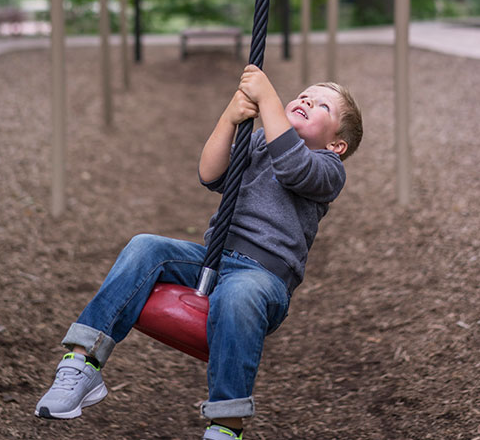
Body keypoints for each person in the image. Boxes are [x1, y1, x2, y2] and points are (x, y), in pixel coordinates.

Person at [34, 64, 363, 440]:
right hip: (214, 259)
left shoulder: (328, 169)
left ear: (338, 144)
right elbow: (211, 175)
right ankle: (82, 363)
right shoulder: (257, 142)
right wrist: (229, 116)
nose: (306, 99)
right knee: (145, 246)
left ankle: (226, 423)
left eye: (322, 105)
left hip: (262, 279)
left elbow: (293, 168)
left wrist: (268, 97)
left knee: (239, 294)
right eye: (305, 94)